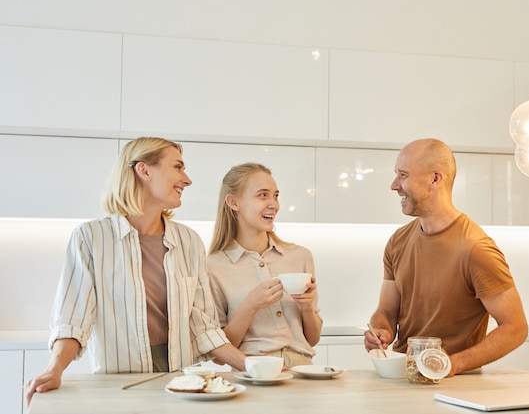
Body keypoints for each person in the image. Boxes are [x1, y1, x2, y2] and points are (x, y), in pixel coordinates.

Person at [25, 137, 247, 405]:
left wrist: (252, 367)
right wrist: (55, 369)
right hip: (121, 388)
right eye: (178, 167)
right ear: (144, 170)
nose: (186, 180)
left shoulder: (189, 241)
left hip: (183, 384)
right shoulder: (92, 238)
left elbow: (204, 328)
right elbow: (73, 319)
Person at [365, 138, 528, 377]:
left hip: (455, 386)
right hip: (403, 374)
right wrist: (382, 330)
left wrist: (451, 365)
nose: (394, 185)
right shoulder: (397, 241)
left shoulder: (476, 248)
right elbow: (386, 311)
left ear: (435, 179)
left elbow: (516, 328)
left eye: (403, 175)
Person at [207, 162, 322, 368]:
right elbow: (219, 353)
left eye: (276, 195)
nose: (274, 204)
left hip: (303, 371)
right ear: (233, 202)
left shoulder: (300, 256)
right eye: (263, 195)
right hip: (252, 372)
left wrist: (307, 308)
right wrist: (250, 305)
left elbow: (312, 339)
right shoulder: (213, 267)